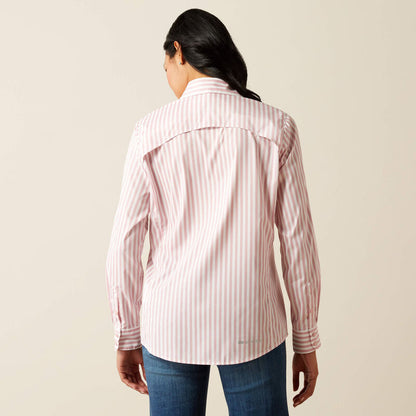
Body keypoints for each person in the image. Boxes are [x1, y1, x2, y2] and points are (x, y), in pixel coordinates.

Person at [105, 7, 321, 416]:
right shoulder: (275, 127)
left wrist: (126, 334)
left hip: (170, 324)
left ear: (179, 52)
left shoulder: (149, 132)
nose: (167, 77)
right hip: (251, 322)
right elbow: (298, 243)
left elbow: (124, 244)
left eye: (165, 66)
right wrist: (305, 338)